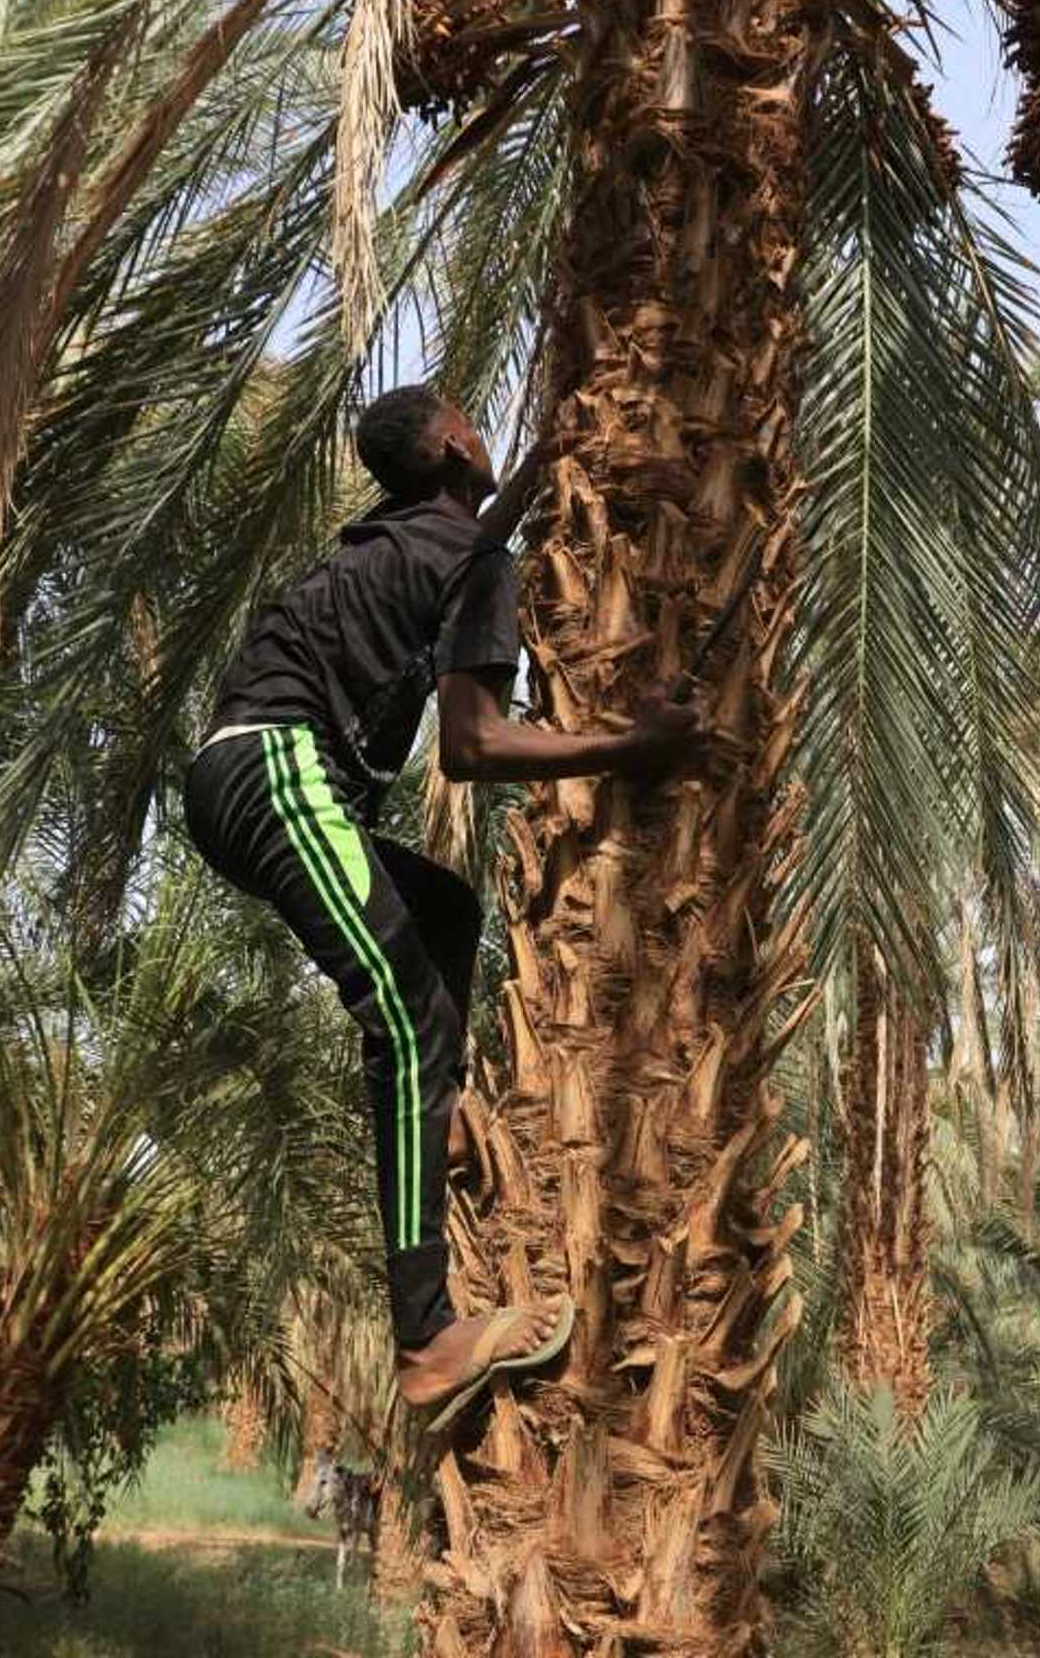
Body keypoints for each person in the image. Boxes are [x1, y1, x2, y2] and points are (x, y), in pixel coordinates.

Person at [184, 386, 705, 1423]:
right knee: (409, 1021)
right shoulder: (474, 564)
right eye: (475, 418)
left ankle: (446, 1117)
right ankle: (425, 1336)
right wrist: (629, 749)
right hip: (280, 773)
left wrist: (529, 474)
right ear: (457, 442)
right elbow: (471, 749)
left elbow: (463, 554)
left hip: (244, 778)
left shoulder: (412, 541)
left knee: (446, 910)